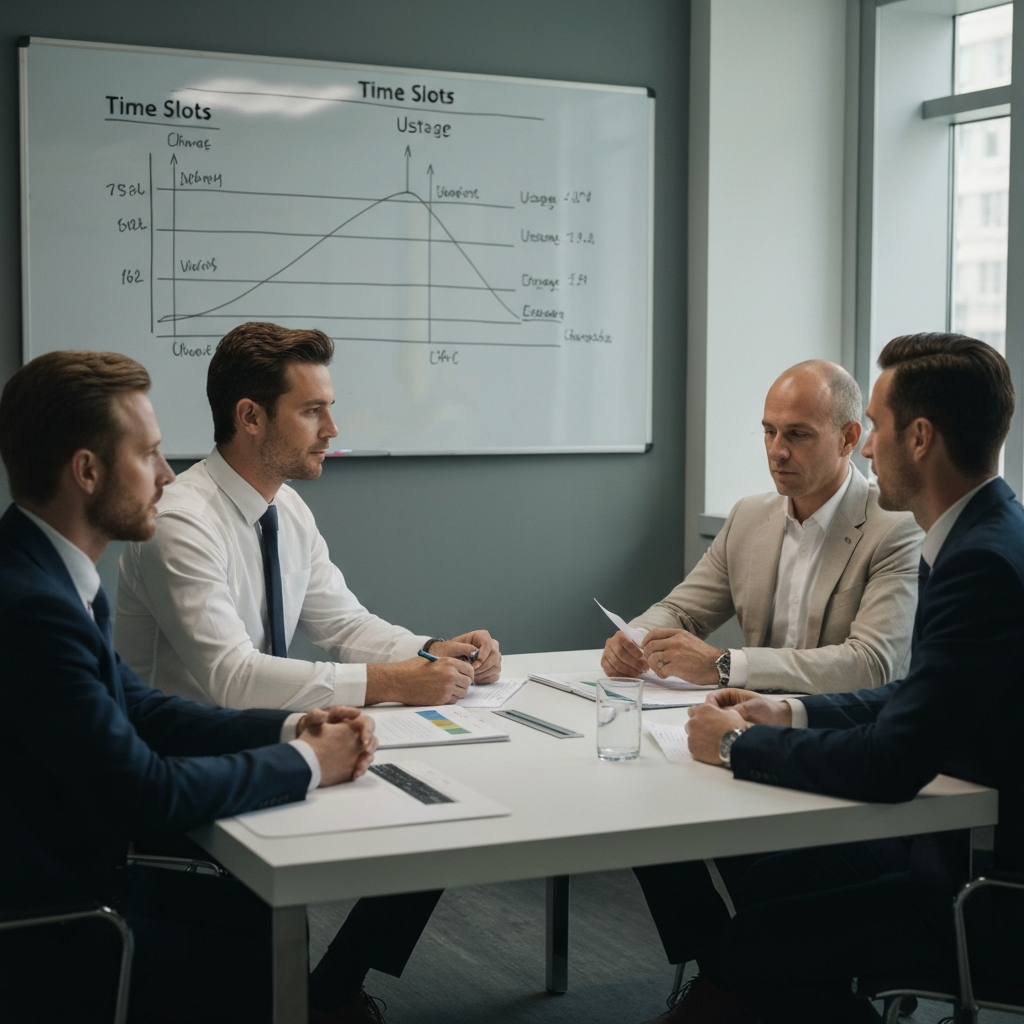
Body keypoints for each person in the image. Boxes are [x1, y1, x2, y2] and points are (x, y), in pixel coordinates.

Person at [0, 350, 409, 1023]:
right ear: (88, 471)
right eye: (150, 454)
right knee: (264, 928)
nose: (166, 475)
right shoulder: (35, 608)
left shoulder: (48, 573)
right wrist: (309, 762)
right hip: (64, 922)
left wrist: (289, 728)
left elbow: (139, 707)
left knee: (268, 905)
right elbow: (147, 789)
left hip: (77, 868)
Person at [663, 333, 1024, 1024]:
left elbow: (894, 760)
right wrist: (787, 714)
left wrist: (738, 748)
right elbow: (920, 698)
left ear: (919, 437)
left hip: (984, 886)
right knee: (767, 879)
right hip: (955, 840)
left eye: (877, 429)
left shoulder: (977, 560)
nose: (865, 449)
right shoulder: (978, 533)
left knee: (754, 939)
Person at [115, 321, 501, 711]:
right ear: (250, 417)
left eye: (329, 409)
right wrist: (395, 681)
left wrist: (435, 652)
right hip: (173, 754)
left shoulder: (288, 508)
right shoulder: (180, 523)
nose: (331, 429)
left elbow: (345, 625)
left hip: (252, 739)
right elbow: (234, 678)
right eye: (312, 411)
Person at [602, 359, 922, 695]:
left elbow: (871, 663)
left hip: (842, 729)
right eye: (770, 431)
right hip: (749, 716)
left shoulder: (896, 528)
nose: (776, 451)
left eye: (798, 435)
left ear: (849, 438)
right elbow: (681, 611)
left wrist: (723, 664)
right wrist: (635, 640)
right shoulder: (748, 517)